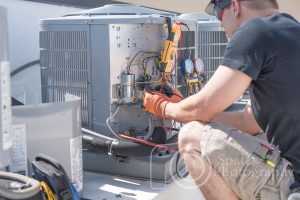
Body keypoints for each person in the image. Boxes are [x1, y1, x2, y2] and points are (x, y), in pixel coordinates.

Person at [143, 0, 300, 199]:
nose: (219, 22)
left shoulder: (255, 31)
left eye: (218, 12)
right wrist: (183, 107)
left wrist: (163, 107)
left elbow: (202, 107)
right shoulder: (291, 30)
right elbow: (249, 122)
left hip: (292, 184)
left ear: (234, 6)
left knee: (191, 135)